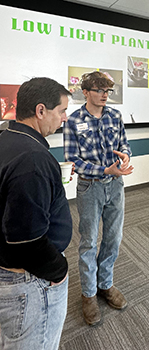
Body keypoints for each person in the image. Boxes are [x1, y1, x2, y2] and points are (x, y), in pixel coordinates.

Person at [0, 77, 73, 350]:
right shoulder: (33, 159)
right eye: (61, 111)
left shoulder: (7, 139)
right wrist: (59, 271)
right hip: (29, 282)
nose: (64, 119)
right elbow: (27, 240)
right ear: (41, 111)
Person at [63, 71, 133, 326]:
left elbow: (124, 144)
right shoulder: (73, 120)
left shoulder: (115, 116)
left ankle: (105, 285)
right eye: (100, 90)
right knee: (89, 242)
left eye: (108, 91)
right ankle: (89, 294)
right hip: (90, 188)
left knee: (114, 238)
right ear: (86, 92)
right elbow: (74, 159)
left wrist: (125, 157)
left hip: (115, 185)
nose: (105, 95)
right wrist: (104, 170)